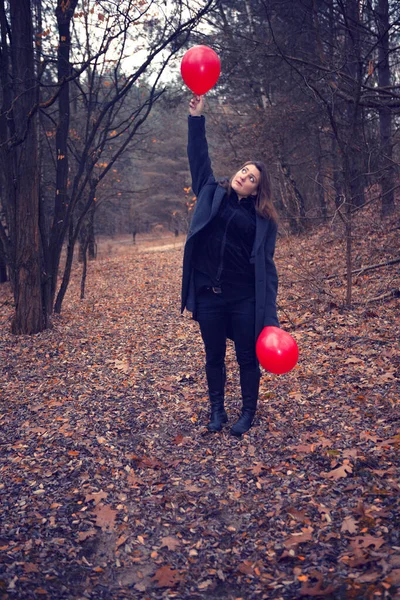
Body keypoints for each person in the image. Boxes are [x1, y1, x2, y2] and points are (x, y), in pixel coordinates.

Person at [181, 95, 279, 436]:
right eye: (243, 171)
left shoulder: (262, 219)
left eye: (251, 178)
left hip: (243, 298)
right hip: (209, 293)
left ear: (256, 190)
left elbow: (267, 269)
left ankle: (247, 412)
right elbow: (199, 157)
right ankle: (217, 411)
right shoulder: (211, 191)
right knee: (213, 357)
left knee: (246, 358)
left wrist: (271, 319)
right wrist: (197, 118)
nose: (244, 177)